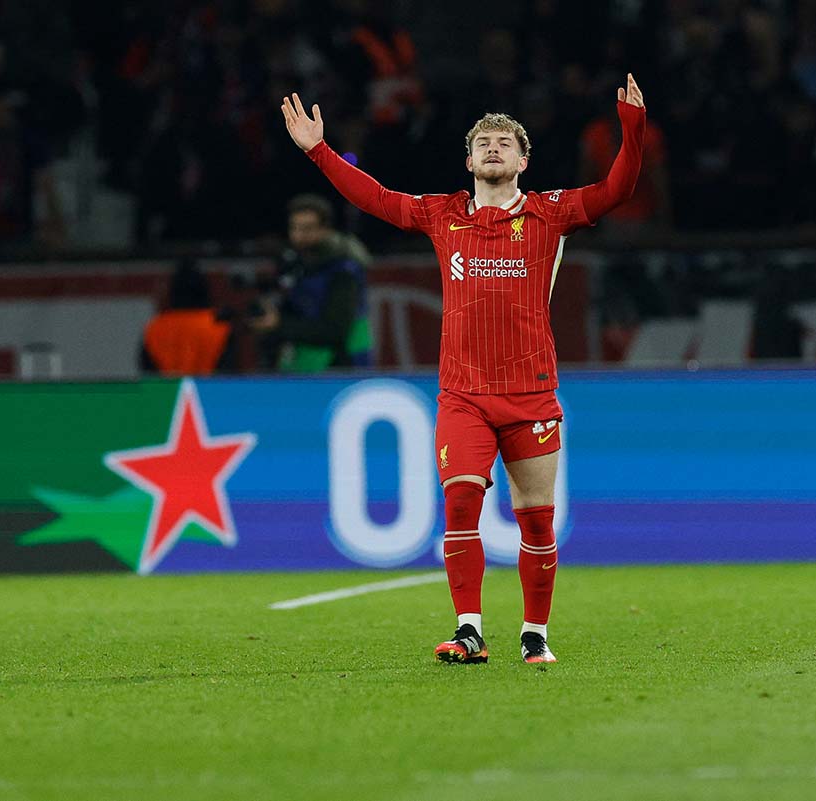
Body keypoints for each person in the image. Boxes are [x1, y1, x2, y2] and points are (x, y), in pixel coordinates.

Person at [281, 74, 646, 664]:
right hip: (464, 397)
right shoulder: (442, 214)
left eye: (506, 141)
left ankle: (535, 635)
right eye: (484, 142)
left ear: (524, 159)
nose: (494, 147)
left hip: (531, 394)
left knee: (536, 521)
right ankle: (470, 629)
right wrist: (319, 152)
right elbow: (376, 199)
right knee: (459, 504)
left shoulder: (551, 213)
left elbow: (619, 188)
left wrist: (633, 127)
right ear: (469, 159)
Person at [251, 194, 373, 372]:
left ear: (326, 229)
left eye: (307, 229)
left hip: (342, 365)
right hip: (303, 361)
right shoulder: (296, 264)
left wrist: (279, 324)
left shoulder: (344, 269)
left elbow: (335, 330)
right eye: (294, 228)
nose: (299, 236)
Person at [141, 260, 232, 376]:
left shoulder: (156, 327)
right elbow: (231, 368)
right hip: (210, 391)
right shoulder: (218, 324)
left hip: (167, 392)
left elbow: (147, 370)